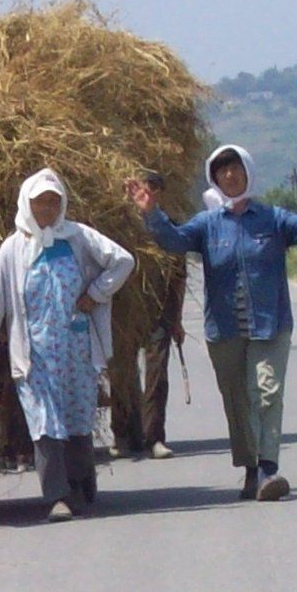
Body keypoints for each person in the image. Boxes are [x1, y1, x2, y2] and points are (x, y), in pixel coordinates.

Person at [125, 145, 297, 501]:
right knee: (237, 402)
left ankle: (269, 468)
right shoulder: (208, 224)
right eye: (222, 170)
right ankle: (251, 469)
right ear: (214, 178)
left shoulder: (272, 219)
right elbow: (173, 240)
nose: (230, 175)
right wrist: (152, 213)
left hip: (270, 325)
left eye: (235, 168)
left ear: (248, 172)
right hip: (224, 331)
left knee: (267, 392)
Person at [0, 168, 135, 522]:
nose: (47, 208)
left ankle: (81, 482)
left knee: (78, 415)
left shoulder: (77, 237)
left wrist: (96, 293)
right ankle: (57, 496)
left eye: (53, 201)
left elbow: (123, 261)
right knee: (45, 422)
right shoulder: (12, 250)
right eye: (40, 202)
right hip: (35, 356)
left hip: (77, 348)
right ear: (27, 204)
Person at [109, 172, 187, 460]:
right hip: (124, 312)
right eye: (144, 186)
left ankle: (154, 437)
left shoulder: (170, 229)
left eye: (154, 187)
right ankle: (123, 434)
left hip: (158, 312)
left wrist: (176, 319)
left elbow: (178, 278)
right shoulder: (120, 228)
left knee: (157, 375)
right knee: (121, 373)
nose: (149, 191)